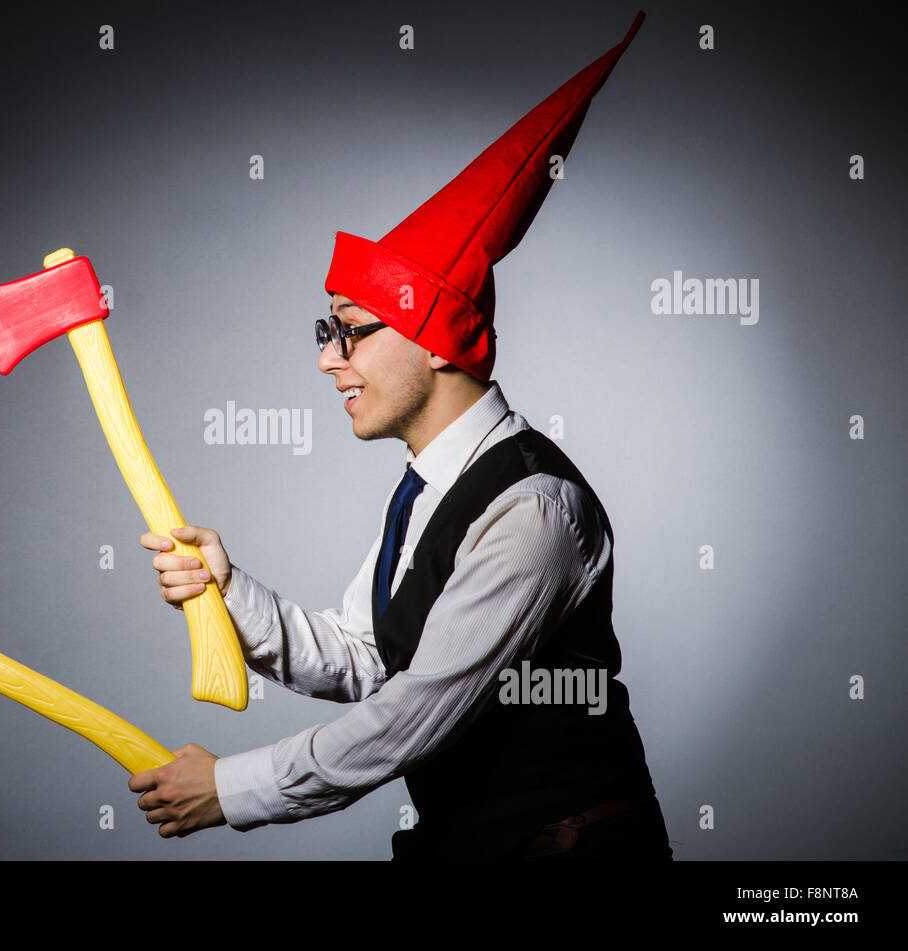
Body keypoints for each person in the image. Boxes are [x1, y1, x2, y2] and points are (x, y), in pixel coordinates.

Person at [129, 12, 672, 861]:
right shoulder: (428, 485)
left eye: (350, 330)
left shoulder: (532, 510)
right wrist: (228, 592)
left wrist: (230, 788)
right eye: (324, 328)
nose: (326, 359)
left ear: (434, 340)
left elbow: (414, 713)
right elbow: (363, 657)